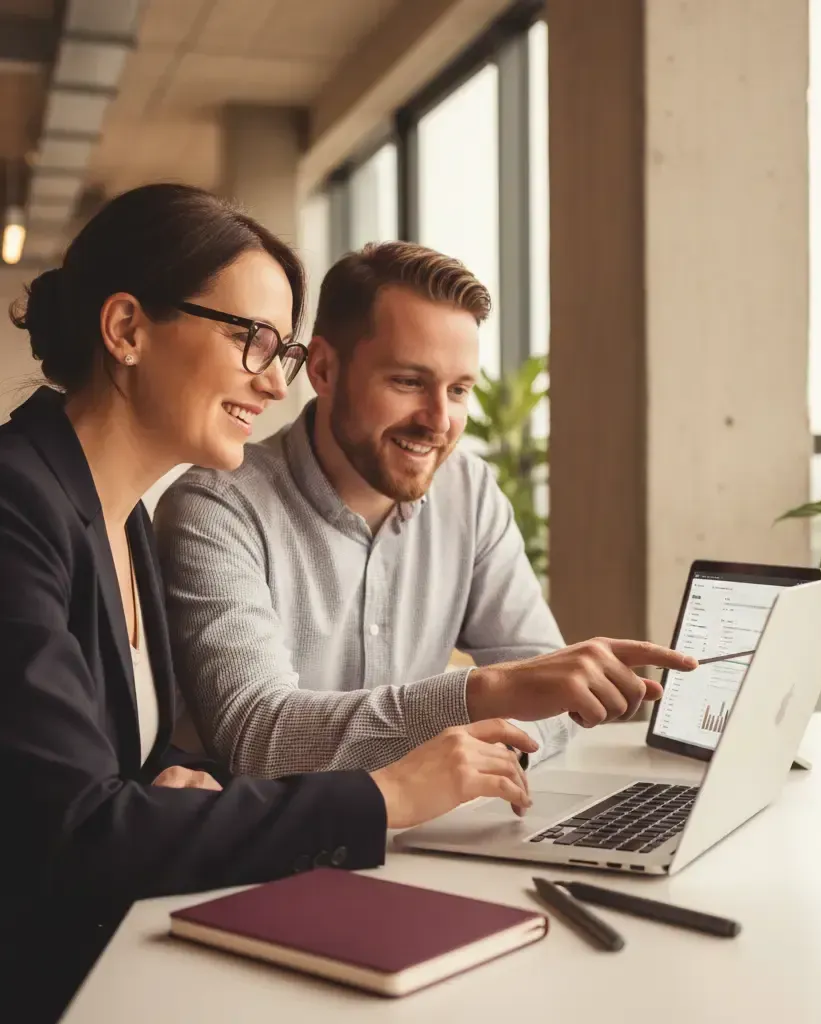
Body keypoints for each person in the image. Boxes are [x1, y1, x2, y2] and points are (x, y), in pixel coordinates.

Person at [0, 184, 548, 1024]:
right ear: (127, 330)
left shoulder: (123, 519)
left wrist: (163, 783)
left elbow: (78, 774)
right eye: (252, 340)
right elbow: (75, 832)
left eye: (280, 350)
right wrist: (387, 795)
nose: (274, 381)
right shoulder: (16, 509)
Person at [155, 242, 697, 779]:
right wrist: (482, 695)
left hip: (433, 835)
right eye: (409, 382)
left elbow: (557, 699)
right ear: (322, 369)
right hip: (271, 856)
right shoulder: (216, 507)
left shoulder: (469, 490)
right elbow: (257, 737)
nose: (438, 421)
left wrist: (481, 737)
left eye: (459, 390)